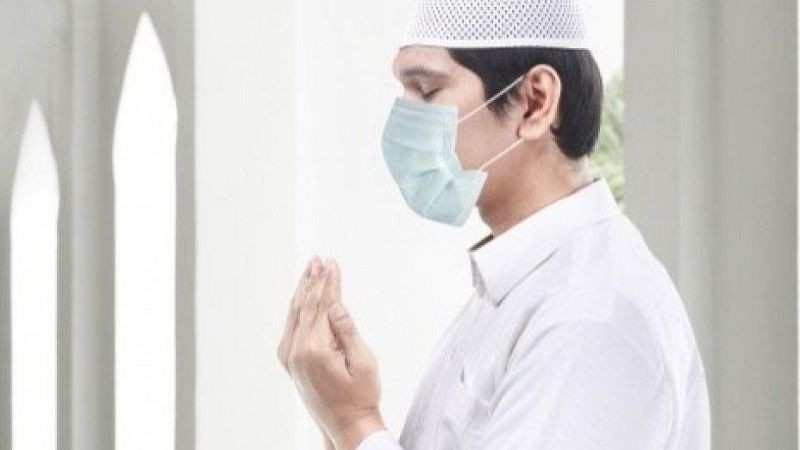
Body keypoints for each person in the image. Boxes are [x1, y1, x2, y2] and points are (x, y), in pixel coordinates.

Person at [276, 0, 711, 449]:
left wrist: (353, 421)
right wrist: (338, 424)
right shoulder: (519, 290)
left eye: (427, 90)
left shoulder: (592, 313)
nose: (404, 118)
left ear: (535, 102)